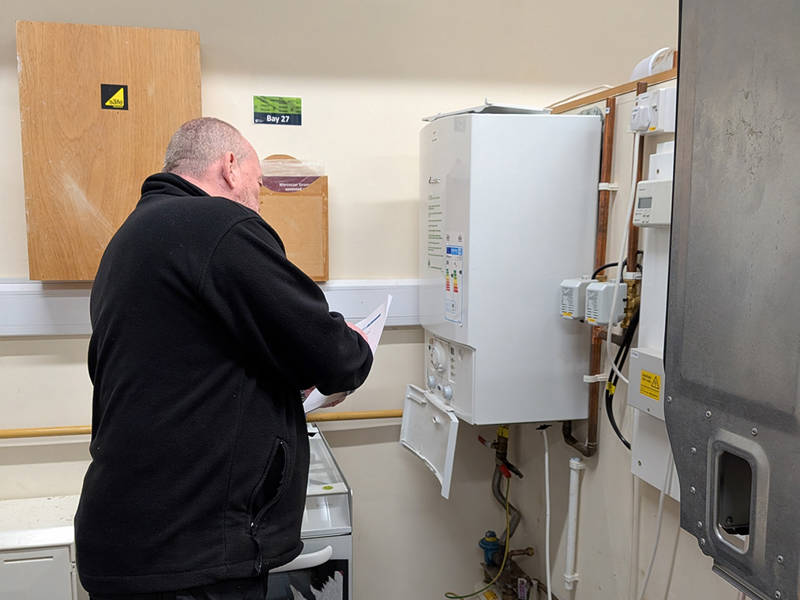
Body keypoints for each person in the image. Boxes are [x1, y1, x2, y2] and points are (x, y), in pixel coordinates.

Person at [75, 117, 373, 600]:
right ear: (230, 167)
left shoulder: (134, 238)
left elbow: (191, 367)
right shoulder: (216, 223)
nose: (258, 200)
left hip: (139, 541)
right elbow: (333, 355)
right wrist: (354, 343)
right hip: (192, 555)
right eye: (258, 185)